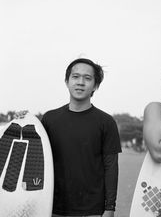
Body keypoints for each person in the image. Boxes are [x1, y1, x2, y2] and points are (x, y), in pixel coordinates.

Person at [41, 58, 122, 217]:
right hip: (53, 206)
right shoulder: (49, 119)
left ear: (96, 86)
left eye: (87, 78)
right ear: (67, 81)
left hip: (92, 210)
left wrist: (110, 207)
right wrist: (22, 122)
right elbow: (38, 159)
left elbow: (111, 167)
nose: (80, 82)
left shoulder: (106, 122)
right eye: (75, 76)